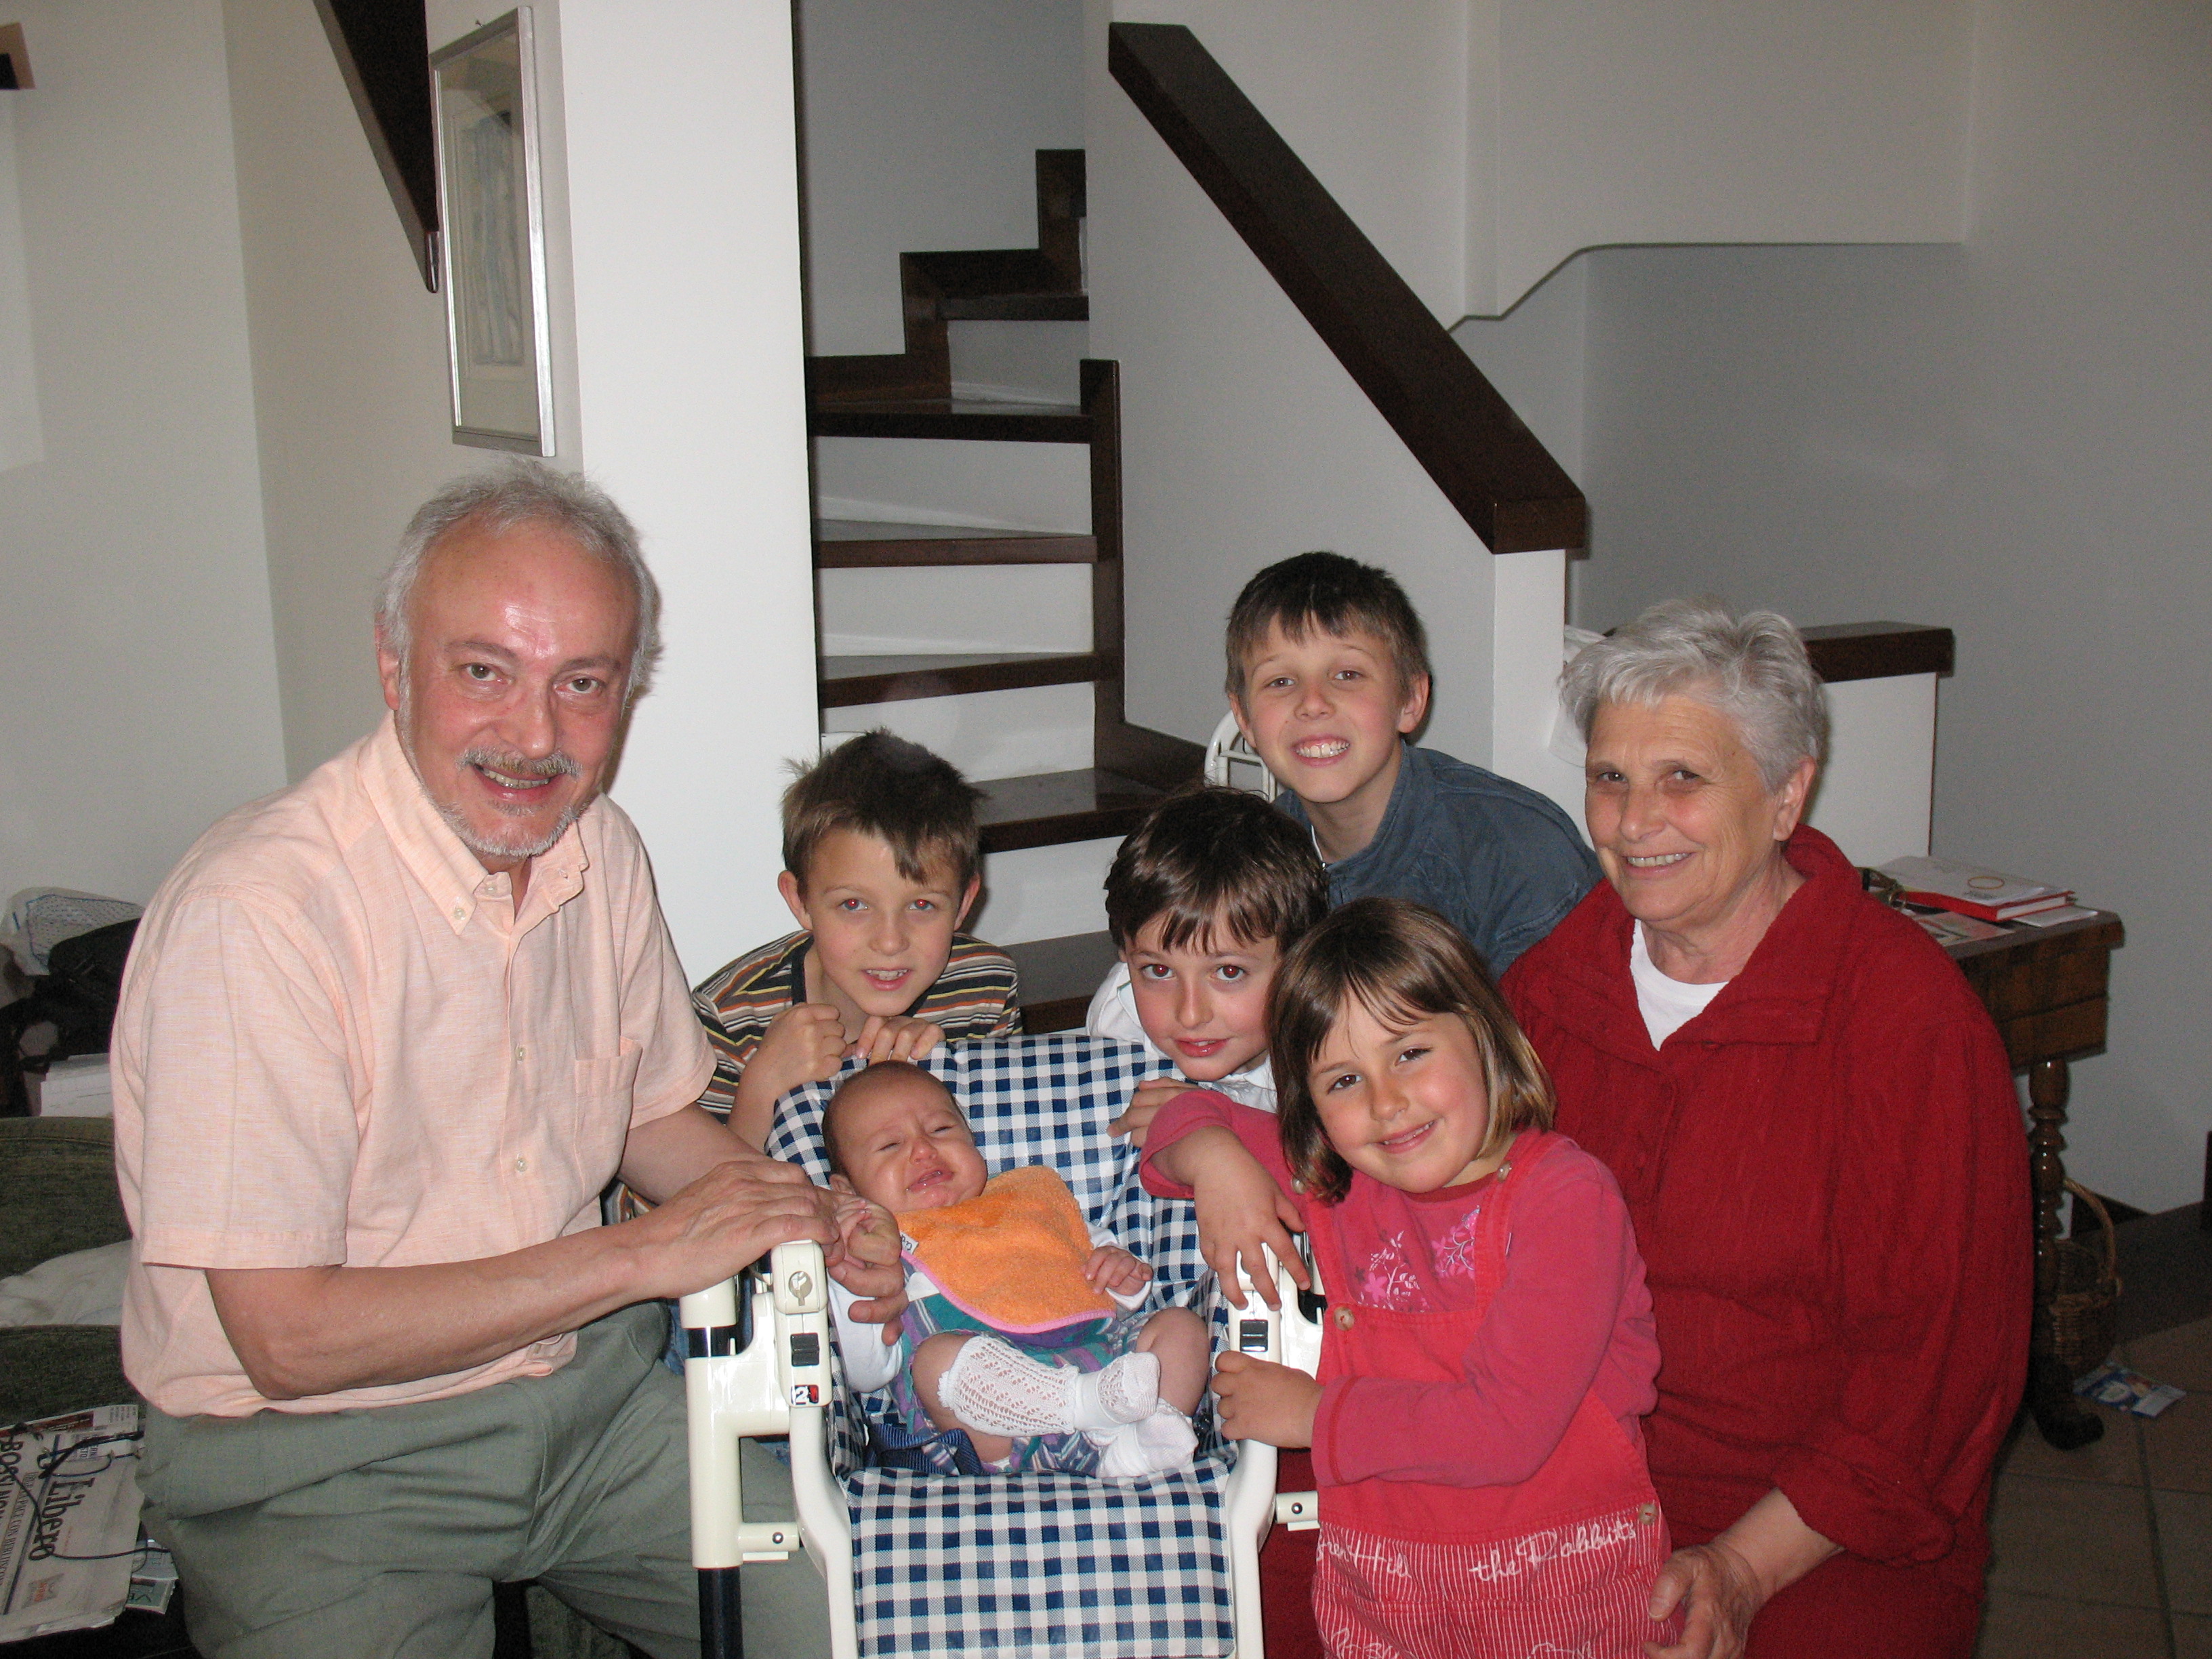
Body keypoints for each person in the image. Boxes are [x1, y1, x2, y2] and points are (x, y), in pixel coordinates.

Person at [111, 463, 899, 1659]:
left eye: (582, 683)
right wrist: (641, 1252)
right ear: (393, 667)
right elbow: (287, 1338)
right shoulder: (257, 914)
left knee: (867, 1627)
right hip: (312, 1465)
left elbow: (645, 1118)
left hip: (591, 1406)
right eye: (484, 672)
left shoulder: (602, 850)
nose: (536, 737)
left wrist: (808, 1212)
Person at [1501, 598, 2031, 1658]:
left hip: (1822, 1526)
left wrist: (1741, 1568)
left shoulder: (1904, 1023)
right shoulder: (1549, 990)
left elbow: (1934, 1375)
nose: (1634, 821)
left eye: (1682, 778)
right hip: (1558, 1472)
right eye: (1611, 777)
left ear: (1788, 794)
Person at [1143, 899, 1673, 1657]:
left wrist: (1316, 1418)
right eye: (1342, 1081)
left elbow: (1506, 1430)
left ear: (1484, 1034)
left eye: (1410, 1053)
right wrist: (1215, 1162)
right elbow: (1172, 1119)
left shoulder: (1565, 1198)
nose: (1386, 1104)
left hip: (1570, 1595)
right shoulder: (1339, 1184)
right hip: (1388, 1601)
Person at [820, 1063, 1209, 1478]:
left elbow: (1103, 1281)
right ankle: (1085, 1406)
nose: (923, 1150)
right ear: (846, 1192)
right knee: (936, 1362)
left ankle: (1135, 1453)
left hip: (1107, 1372)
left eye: (941, 1130)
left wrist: (1119, 1276)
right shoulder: (878, 1251)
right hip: (1000, 1437)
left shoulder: (1028, 1206)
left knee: (1181, 1327)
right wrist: (846, 1275)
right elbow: (864, 1374)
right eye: (890, 1145)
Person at [1225, 551, 1600, 975]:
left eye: (1347, 674)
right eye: (1281, 681)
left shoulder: (1517, 854)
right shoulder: (1254, 864)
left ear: (1410, 701)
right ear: (1245, 719)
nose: (1312, 703)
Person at [689, 729, 1020, 1153]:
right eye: (853, 905)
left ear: (964, 903)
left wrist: (947, 1067)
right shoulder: (730, 1018)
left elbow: (1008, 1141)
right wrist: (760, 1091)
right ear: (801, 900)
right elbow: (689, 1190)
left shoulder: (985, 985)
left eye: (921, 905)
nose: (890, 942)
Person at [1084, 785, 1329, 1143]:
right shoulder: (1116, 1020)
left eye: (1229, 972)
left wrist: (1230, 1124)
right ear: (1126, 953)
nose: (1190, 1015)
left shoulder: (1329, 1052)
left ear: (1299, 962)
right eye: (1159, 971)